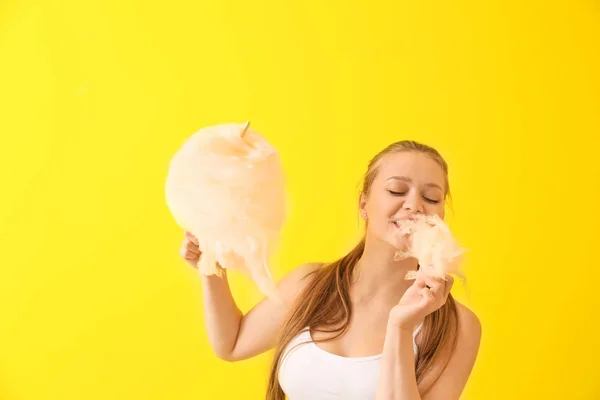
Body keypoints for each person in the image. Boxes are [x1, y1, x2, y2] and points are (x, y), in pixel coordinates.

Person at [180, 140, 482, 400]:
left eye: (431, 198)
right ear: (364, 204)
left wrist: (401, 327)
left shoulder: (457, 326)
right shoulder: (309, 284)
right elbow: (232, 344)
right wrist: (211, 266)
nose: (414, 205)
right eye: (397, 190)